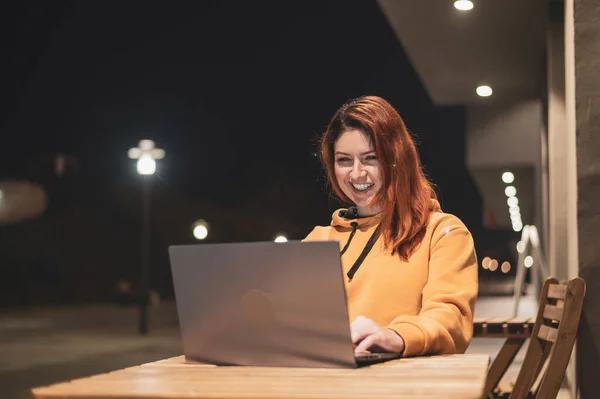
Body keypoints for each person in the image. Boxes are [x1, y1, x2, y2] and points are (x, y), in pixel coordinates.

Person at [304, 95, 478, 357]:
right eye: (344, 160)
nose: (356, 173)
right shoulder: (319, 239)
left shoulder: (443, 233)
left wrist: (396, 337)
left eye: (370, 158)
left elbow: (449, 319)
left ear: (397, 159)